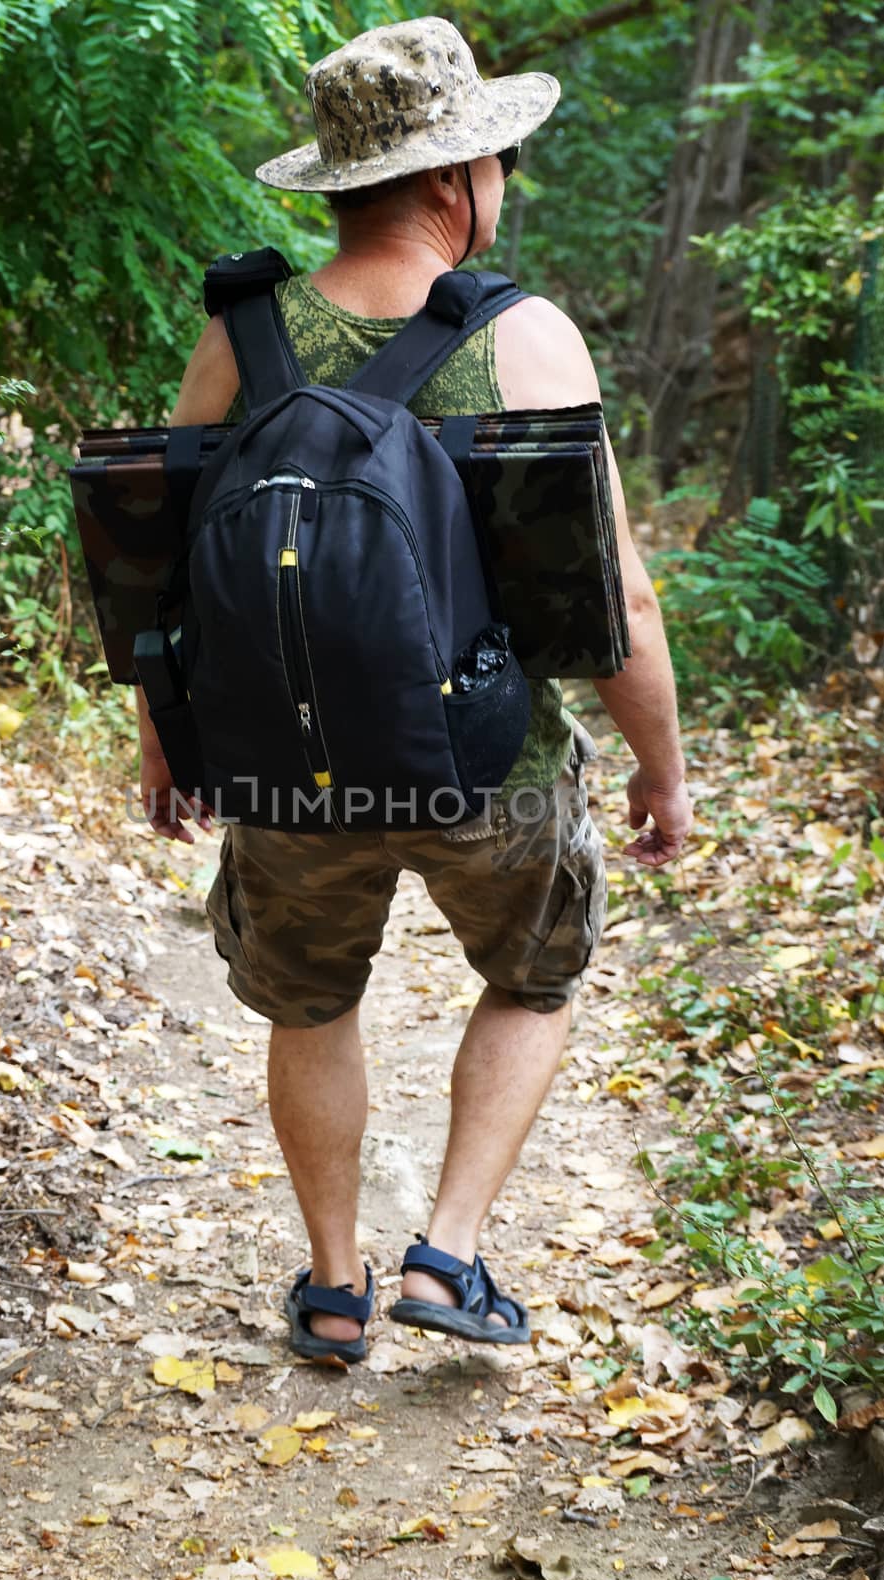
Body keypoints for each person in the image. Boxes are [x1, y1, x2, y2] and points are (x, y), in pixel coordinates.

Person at [136, 17, 693, 1362]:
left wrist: (167, 736)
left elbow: (144, 565)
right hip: (485, 770)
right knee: (533, 980)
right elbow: (611, 597)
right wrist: (658, 771)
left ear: (337, 182)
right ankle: (444, 1257)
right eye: (495, 158)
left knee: (306, 1003)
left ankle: (332, 1288)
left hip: (279, 767)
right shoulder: (525, 339)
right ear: (454, 180)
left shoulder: (245, 332)